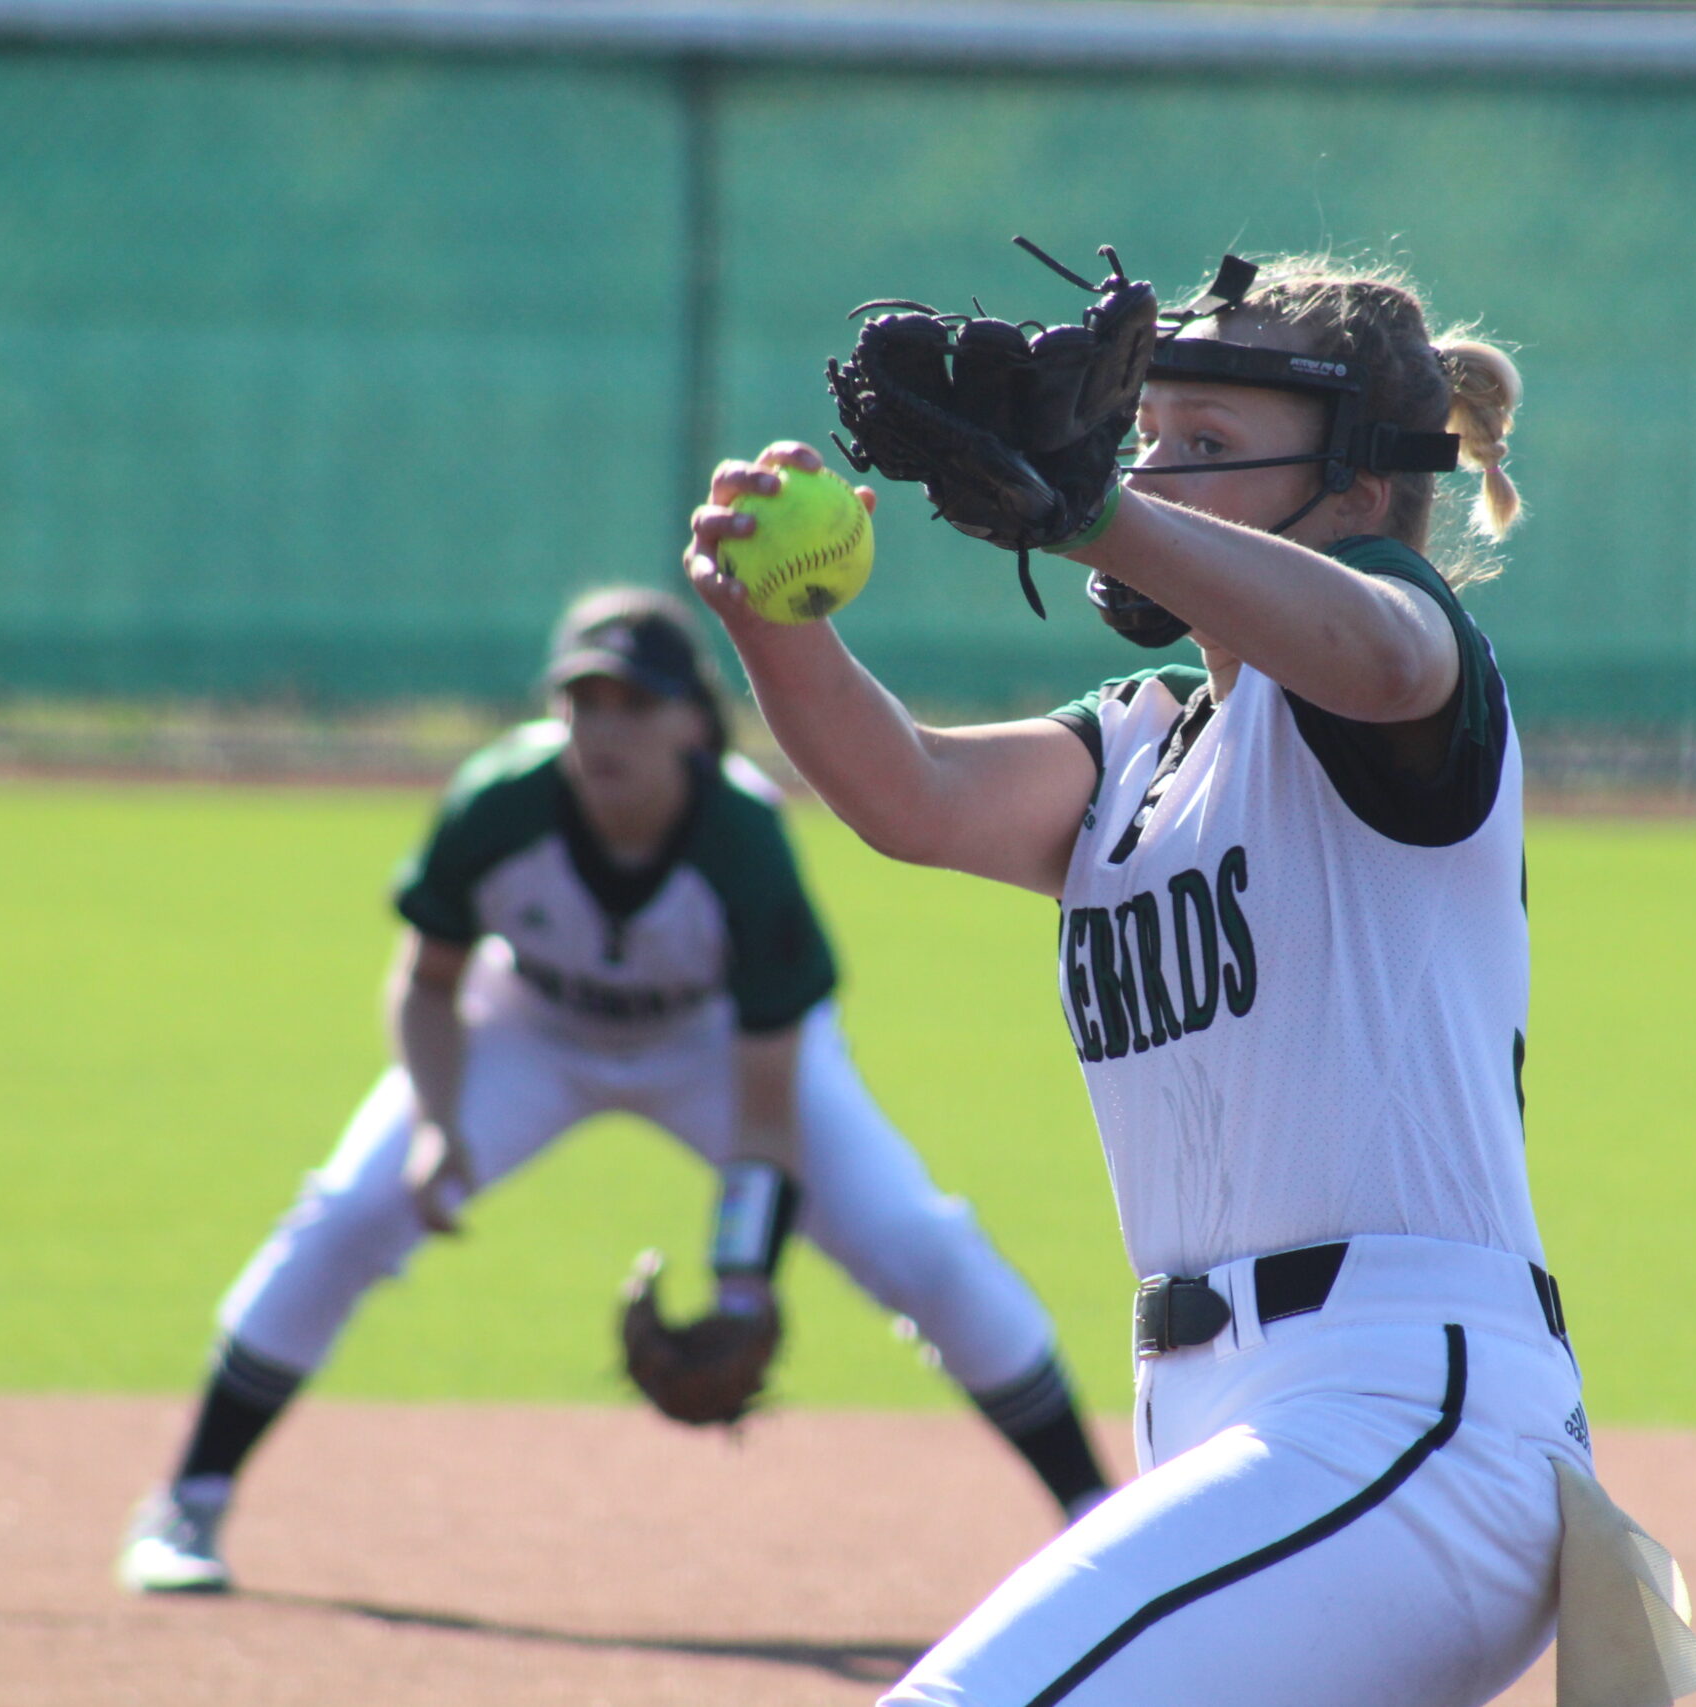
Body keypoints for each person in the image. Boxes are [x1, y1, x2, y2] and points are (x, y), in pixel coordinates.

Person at [686, 255, 1595, 1706]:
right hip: (1221, 1418)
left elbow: (1376, 653)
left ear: (1360, 488)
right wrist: (770, 626)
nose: (1150, 468)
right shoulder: (1139, 743)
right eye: (1148, 433)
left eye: (1207, 443)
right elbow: (912, 793)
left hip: (1399, 1417)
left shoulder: (1401, 666)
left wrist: (1098, 513)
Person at [118, 586, 1108, 1596]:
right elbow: (427, 981)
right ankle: (189, 1499)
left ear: (693, 723)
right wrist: (436, 1122)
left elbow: (768, 1102)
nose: (605, 728)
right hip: (531, 1026)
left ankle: (1094, 1512)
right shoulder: (500, 802)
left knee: (918, 1244)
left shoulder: (741, 838)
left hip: (718, 1045)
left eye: (636, 703)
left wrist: (743, 1280)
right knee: (349, 1211)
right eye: (584, 702)